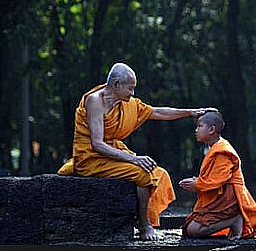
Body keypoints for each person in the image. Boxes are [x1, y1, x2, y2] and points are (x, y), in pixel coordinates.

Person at [57, 62, 215, 241]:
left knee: (158, 173)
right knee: (143, 173)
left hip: (112, 150)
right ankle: (144, 225)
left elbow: (157, 112)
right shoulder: (95, 100)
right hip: (91, 158)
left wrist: (190, 112)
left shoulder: (127, 103)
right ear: (116, 85)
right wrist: (134, 159)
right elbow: (97, 144)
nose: (132, 93)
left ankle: (139, 219)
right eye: (130, 88)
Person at [179, 111, 256, 240]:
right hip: (220, 197)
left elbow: (217, 180)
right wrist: (197, 181)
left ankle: (234, 219)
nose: (196, 130)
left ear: (211, 129)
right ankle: (232, 220)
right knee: (190, 228)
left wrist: (197, 185)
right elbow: (215, 176)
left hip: (228, 198)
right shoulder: (215, 147)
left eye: (199, 126)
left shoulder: (222, 150)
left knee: (193, 230)